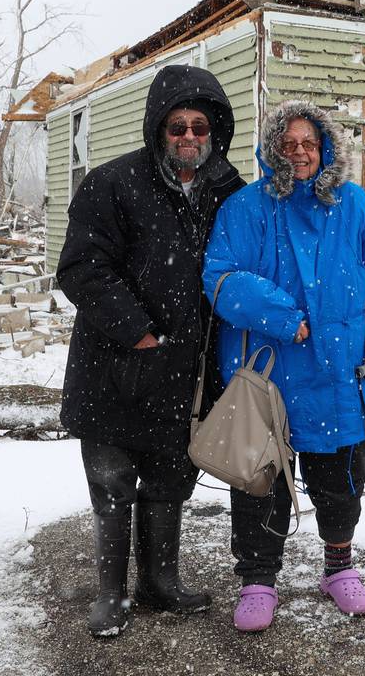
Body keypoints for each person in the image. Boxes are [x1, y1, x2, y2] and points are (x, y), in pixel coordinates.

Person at [203, 99, 365, 633]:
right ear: (273, 149)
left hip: (340, 372)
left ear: (325, 150)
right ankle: (258, 578)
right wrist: (282, 314)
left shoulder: (354, 205)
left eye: (309, 143)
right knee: (260, 479)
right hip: (267, 375)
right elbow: (220, 278)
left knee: (341, 480)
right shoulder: (244, 208)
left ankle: (338, 567)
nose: (299, 152)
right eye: (288, 143)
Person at [56, 64, 244, 638]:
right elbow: (82, 268)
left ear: (215, 132)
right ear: (156, 129)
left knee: (169, 480)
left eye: (200, 126)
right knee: (113, 481)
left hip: (186, 371)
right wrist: (137, 331)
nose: (189, 137)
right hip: (113, 362)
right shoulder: (114, 183)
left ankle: (159, 584)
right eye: (176, 126)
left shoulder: (228, 193)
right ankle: (111, 594)